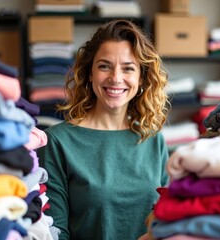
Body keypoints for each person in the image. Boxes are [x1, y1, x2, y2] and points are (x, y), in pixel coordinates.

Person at [37, 19, 170, 240]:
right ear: (90, 73)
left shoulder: (154, 139)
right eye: (104, 66)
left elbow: (166, 221)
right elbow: (55, 232)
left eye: (128, 68)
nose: (116, 78)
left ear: (141, 78)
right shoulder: (57, 142)